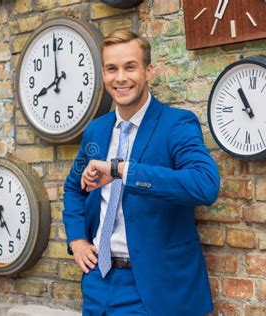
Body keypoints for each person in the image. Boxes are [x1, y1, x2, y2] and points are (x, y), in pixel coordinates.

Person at [63, 30, 220, 315]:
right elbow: (74, 188)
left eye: (130, 67)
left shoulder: (176, 124)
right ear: (104, 74)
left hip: (153, 287)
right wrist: (77, 241)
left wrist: (123, 170)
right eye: (112, 69)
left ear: (148, 71)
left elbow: (205, 184)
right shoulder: (96, 131)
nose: (120, 78)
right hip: (98, 281)